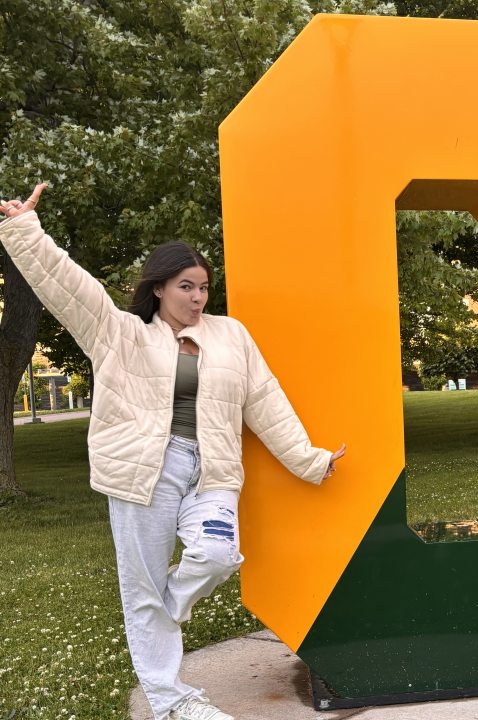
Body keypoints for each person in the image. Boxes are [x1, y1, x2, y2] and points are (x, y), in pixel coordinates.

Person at [0, 184, 346, 720]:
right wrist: (25, 229)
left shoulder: (231, 336)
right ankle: (171, 701)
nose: (198, 298)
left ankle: (165, 609)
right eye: (186, 286)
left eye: (204, 287)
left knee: (215, 556)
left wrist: (307, 458)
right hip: (143, 474)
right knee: (140, 585)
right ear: (159, 288)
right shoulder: (121, 334)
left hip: (212, 473)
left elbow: (265, 400)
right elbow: (67, 288)